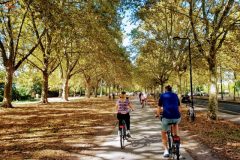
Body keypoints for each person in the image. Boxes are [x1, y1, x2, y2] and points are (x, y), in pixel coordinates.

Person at [156, 85, 181, 157]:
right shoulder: (175, 95)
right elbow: (179, 107)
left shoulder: (162, 96)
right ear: (171, 90)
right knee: (175, 124)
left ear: (165, 90)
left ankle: (166, 151)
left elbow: (159, 107)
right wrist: (179, 114)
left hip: (166, 117)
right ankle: (176, 138)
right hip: (177, 117)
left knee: (163, 132)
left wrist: (158, 114)